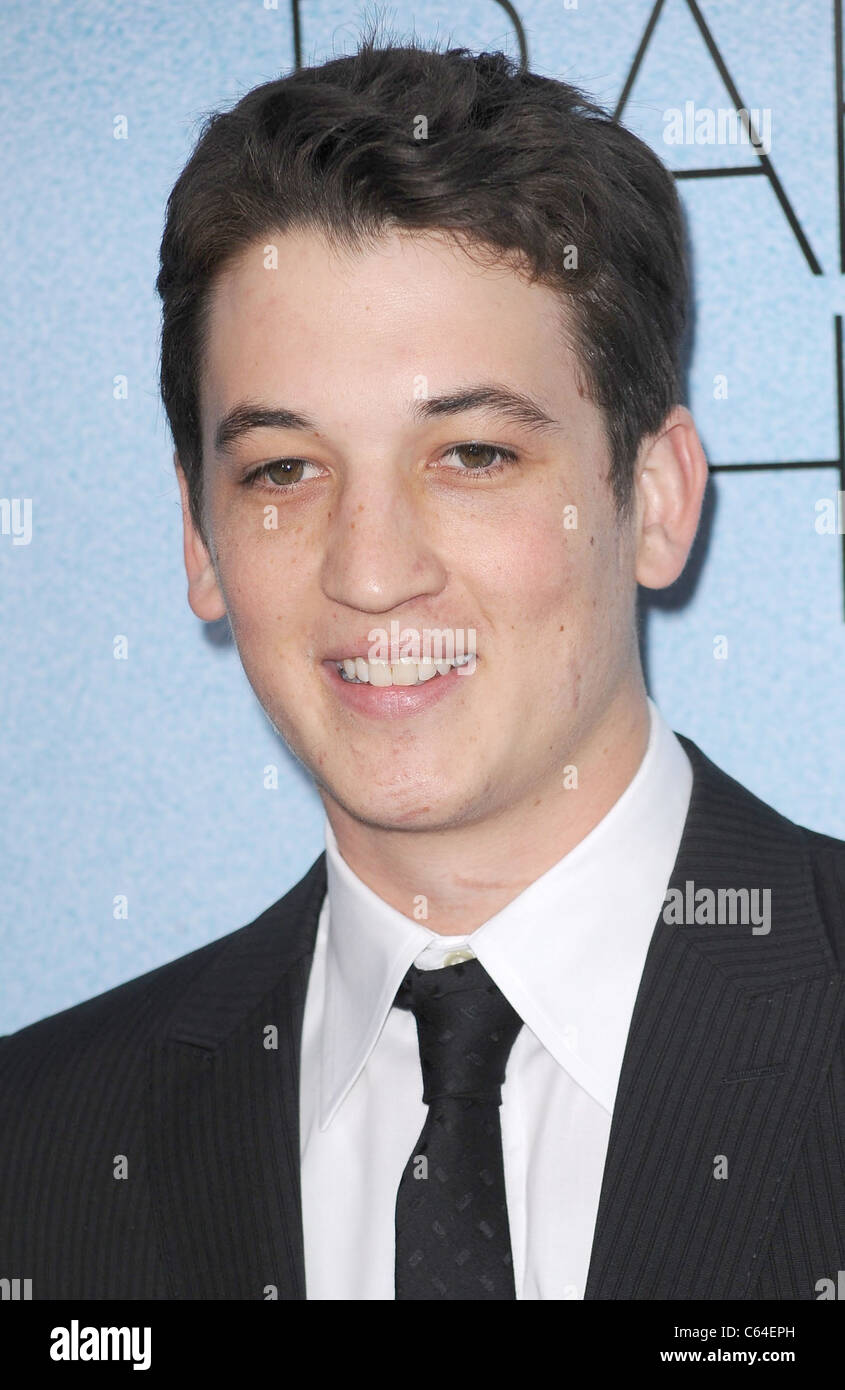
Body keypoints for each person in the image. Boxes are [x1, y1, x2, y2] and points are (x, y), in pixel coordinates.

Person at [1, 35, 842, 1302]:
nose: (371, 569)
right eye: (284, 470)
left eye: (472, 455)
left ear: (655, 498)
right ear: (201, 540)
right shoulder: (38, 1151)